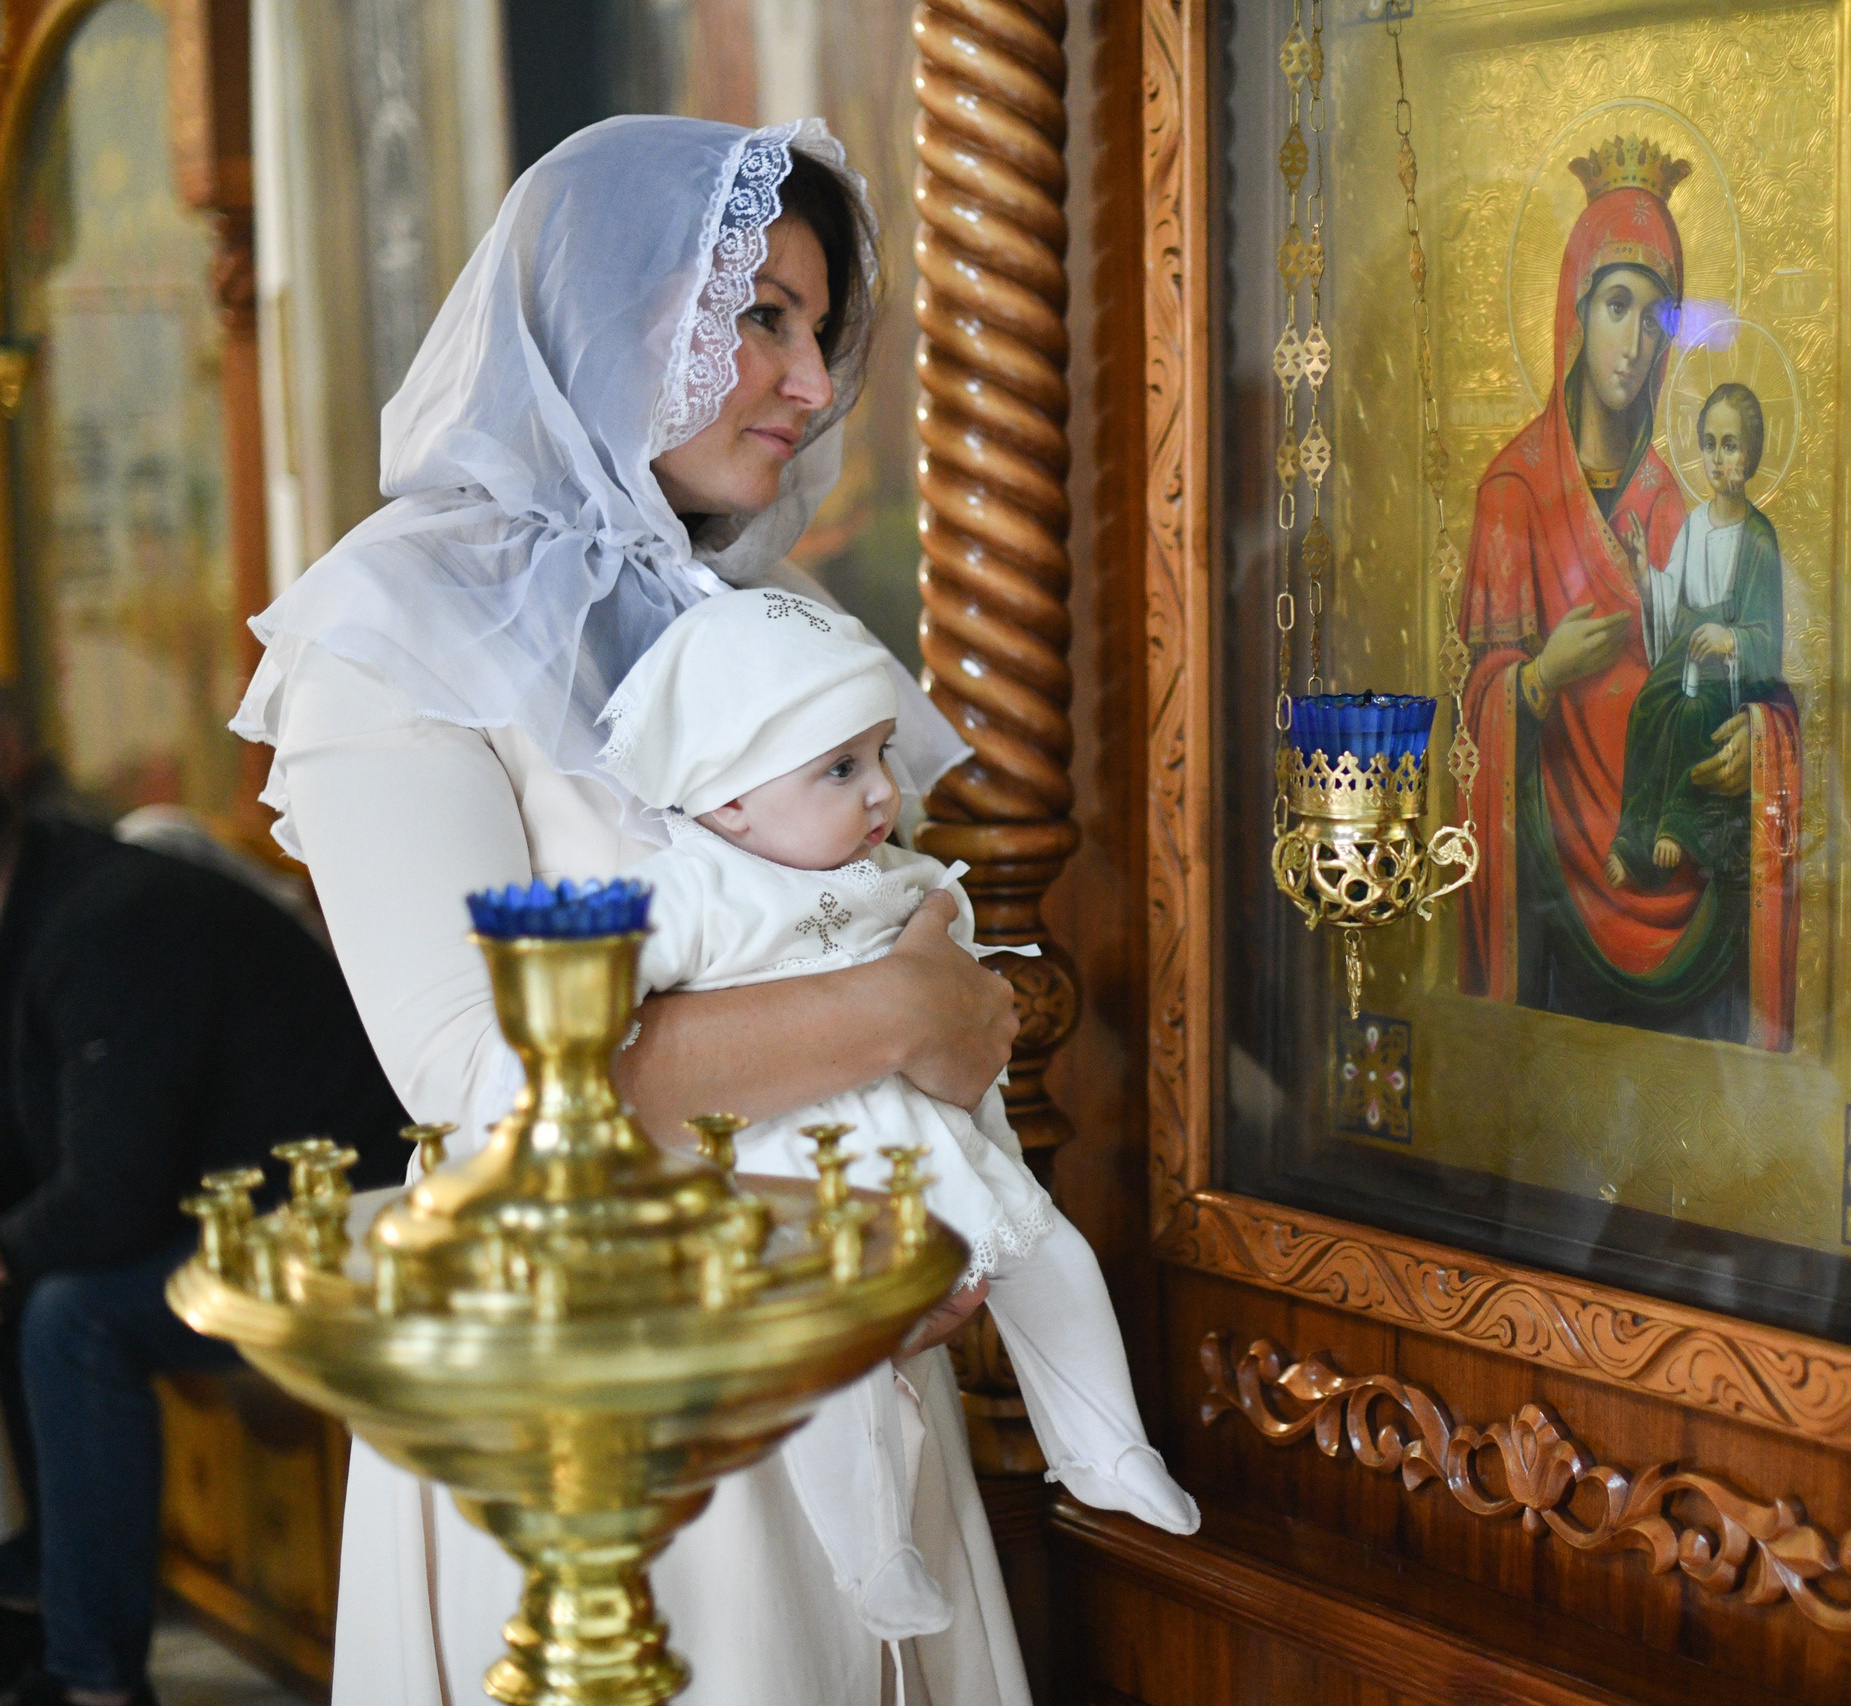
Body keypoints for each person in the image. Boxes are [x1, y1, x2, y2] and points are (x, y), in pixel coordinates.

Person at [233, 115, 1033, 1704]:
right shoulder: (392, 624)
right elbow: (480, 1070)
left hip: (839, 1327)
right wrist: (896, 1014)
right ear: (607, 308)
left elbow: (902, 920)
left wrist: (945, 1197)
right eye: (764, 318)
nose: (812, 388)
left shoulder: (761, 609)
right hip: (595, 1376)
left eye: (819, 332)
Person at [599, 588, 1196, 1643]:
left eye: (878, 754)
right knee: (838, 1366)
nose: (882, 789)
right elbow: (605, 991)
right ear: (727, 797)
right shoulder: (691, 889)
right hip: (806, 1178)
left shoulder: (880, 872)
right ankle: (873, 1556)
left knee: (1054, 1258)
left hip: (928, 1147)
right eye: (840, 768)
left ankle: (1106, 1447)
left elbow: (943, 936)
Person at [0, 802, 409, 1706]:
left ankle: (93, 1680)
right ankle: (31, 1584)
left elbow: (111, 1198)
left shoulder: (107, 917)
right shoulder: (36, 896)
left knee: (71, 1318)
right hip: (226, 1213)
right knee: (31, 1283)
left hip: (350, 1227)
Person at [1454, 136, 1801, 1046]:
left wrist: (1756, 741)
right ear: (1575, 315)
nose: (1637, 342)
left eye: (1658, 317)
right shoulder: (1514, 491)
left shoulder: (1677, 500)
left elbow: (1740, 665)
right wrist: (1533, 680)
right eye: (1618, 306)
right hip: (1555, 886)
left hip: (1680, 871)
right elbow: (1471, 715)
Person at [1601, 381, 1800, 1048]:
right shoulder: (1692, 525)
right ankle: (1634, 838)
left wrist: (1734, 640)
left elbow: (1769, 636)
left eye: (1732, 445)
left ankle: (1680, 831)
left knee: (1691, 717)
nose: (1719, 460)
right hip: (1686, 654)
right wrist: (1641, 571)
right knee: (1648, 708)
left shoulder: (1759, 537)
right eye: (1710, 445)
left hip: (1729, 681)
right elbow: (1672, 597)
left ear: (1753, 454)